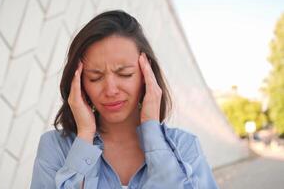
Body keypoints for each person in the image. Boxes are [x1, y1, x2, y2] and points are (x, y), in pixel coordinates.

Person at [30, 10, 218, 189]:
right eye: (95, 77)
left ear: (146, 75)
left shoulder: (185, 146)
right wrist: (85, 135)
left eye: (125, 74)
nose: (111, 90)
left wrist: (152, 131)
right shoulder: (55, 147)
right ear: (78, 83)